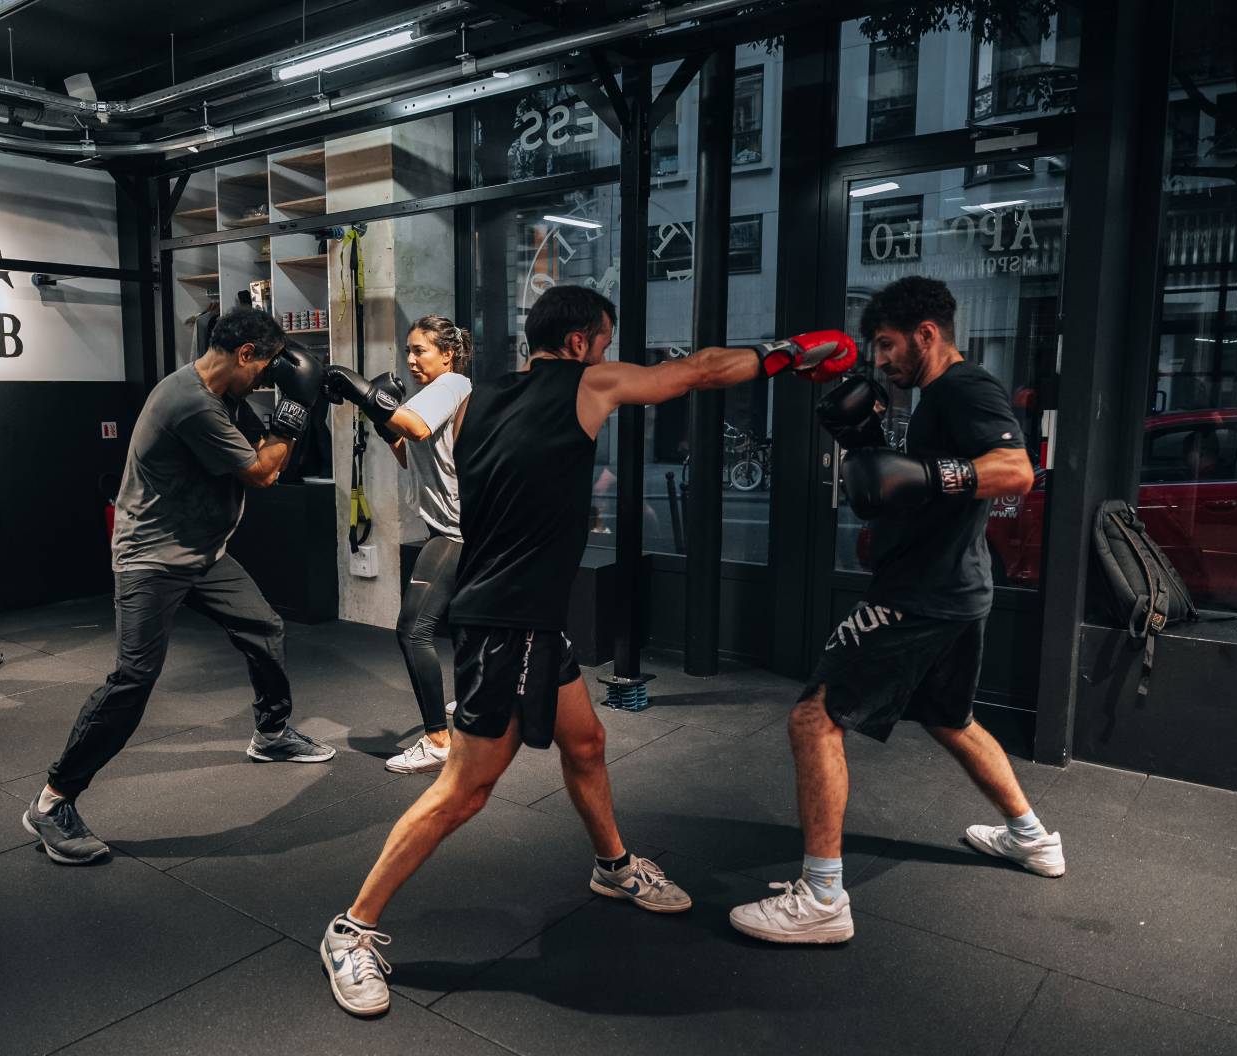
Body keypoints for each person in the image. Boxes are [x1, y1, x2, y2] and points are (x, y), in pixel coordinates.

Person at [319, 284, 857, 1017]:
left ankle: (612, 865)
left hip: (532, 620)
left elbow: (412, 432)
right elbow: (695, 373)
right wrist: (785, 356)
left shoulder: (476, 394)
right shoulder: (588, 380)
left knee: (588, 743)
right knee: (465, 790)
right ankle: (352, 929)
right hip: (505, 624)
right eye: (604, 339)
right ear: (579, 343)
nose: (608, 352)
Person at [728, 276, 1061, 947]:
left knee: (814, 719)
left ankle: (822, 897)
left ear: (927, 335)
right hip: (956, 588)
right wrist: (869, 439)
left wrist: (930, 474)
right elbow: (903, 487)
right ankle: (1033, 839)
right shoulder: (935, 397)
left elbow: (1017, 471)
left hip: (921, 595)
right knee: (950, 718)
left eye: (886, 345)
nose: (878, 359)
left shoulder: (966, 388)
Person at [23, 308, 336, 865]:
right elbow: (263, 473)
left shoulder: (223, 393)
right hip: (151, 559)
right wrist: (292, 414)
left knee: (263, 627)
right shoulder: (188, 401)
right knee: (134, 677)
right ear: (243, 354)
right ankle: (53, 801)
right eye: (263, 368)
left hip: (204, 554)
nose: (265, 379)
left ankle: (271, 732)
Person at [328, 314, 473, 774]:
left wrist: (360, 389)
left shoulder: (449, 386)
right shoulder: (439, 393)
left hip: (456, 530)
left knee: (413, 630)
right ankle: (473, 704)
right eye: (408, 350)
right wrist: (378, 413)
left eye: (420, 350)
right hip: (455, 524)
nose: (410, 359)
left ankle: (436, 740)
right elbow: (409, 453)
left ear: (447, 353)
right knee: (465, 620)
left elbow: (416, 429)